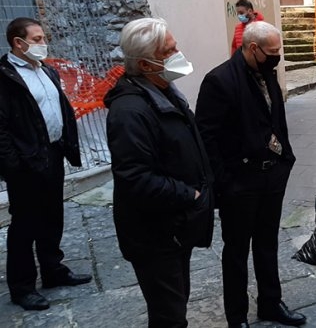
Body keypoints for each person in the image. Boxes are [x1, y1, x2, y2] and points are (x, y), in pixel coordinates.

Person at [104, 17, 214, 327]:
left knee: (175, 304)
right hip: (155, 232)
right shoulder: (130, 111)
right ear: (145, 63)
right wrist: (189, 194)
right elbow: (135, 178)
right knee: (170, 315)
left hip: (176, 227)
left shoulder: (164, 91)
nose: (178, 53)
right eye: (169, 51)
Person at [196, 21, 306, 328]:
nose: (277, 57)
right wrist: (224, 184)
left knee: (267, 243)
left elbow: (276, 119)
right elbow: (206, 138)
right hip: (239, 182)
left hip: (272, 177)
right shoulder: (219, 80)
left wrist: (285, 157)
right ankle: (237, 316)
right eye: (272, 52)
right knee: (236, 251)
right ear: (253, 48)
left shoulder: (267, 74)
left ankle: (270, 303)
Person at [0, 17, 92, 311]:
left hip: (51, 155)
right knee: (25, 225)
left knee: (53, 216)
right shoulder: (5, 78)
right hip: (25, 163)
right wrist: (13, 164)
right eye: (37, 39)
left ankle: (54, 270)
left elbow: (58, 108)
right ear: (19, 43)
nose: (43, 44)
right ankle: (22, 286)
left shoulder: (46, 70)